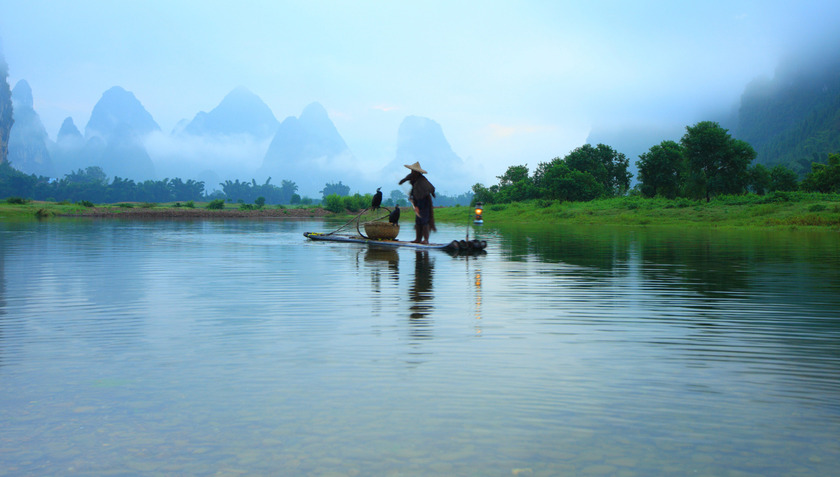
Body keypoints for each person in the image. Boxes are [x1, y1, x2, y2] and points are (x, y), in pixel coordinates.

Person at [399, 162, 436, 244]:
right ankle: (418, 239)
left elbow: (422, 196)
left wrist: (418, 206)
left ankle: (426, 240)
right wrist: (411, 196)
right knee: (418, 221)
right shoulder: (415, 180)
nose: (411, 173)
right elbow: (414, 191)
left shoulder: (421, 182)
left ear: (416, 172)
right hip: (418, 202)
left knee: (424, 221)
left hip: (424, 203)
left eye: (413, 171)